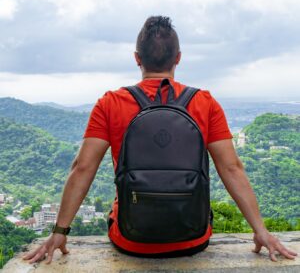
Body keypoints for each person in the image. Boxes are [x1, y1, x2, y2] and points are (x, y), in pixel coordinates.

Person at [23, 16, 297, 264]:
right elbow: (232, 168)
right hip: (193, 239)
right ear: (178, 58)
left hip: (131, 240)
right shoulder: (204, 103)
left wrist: (59, 231)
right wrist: (261, 231)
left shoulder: (110, 103)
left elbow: (82, 168)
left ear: (136, 58)